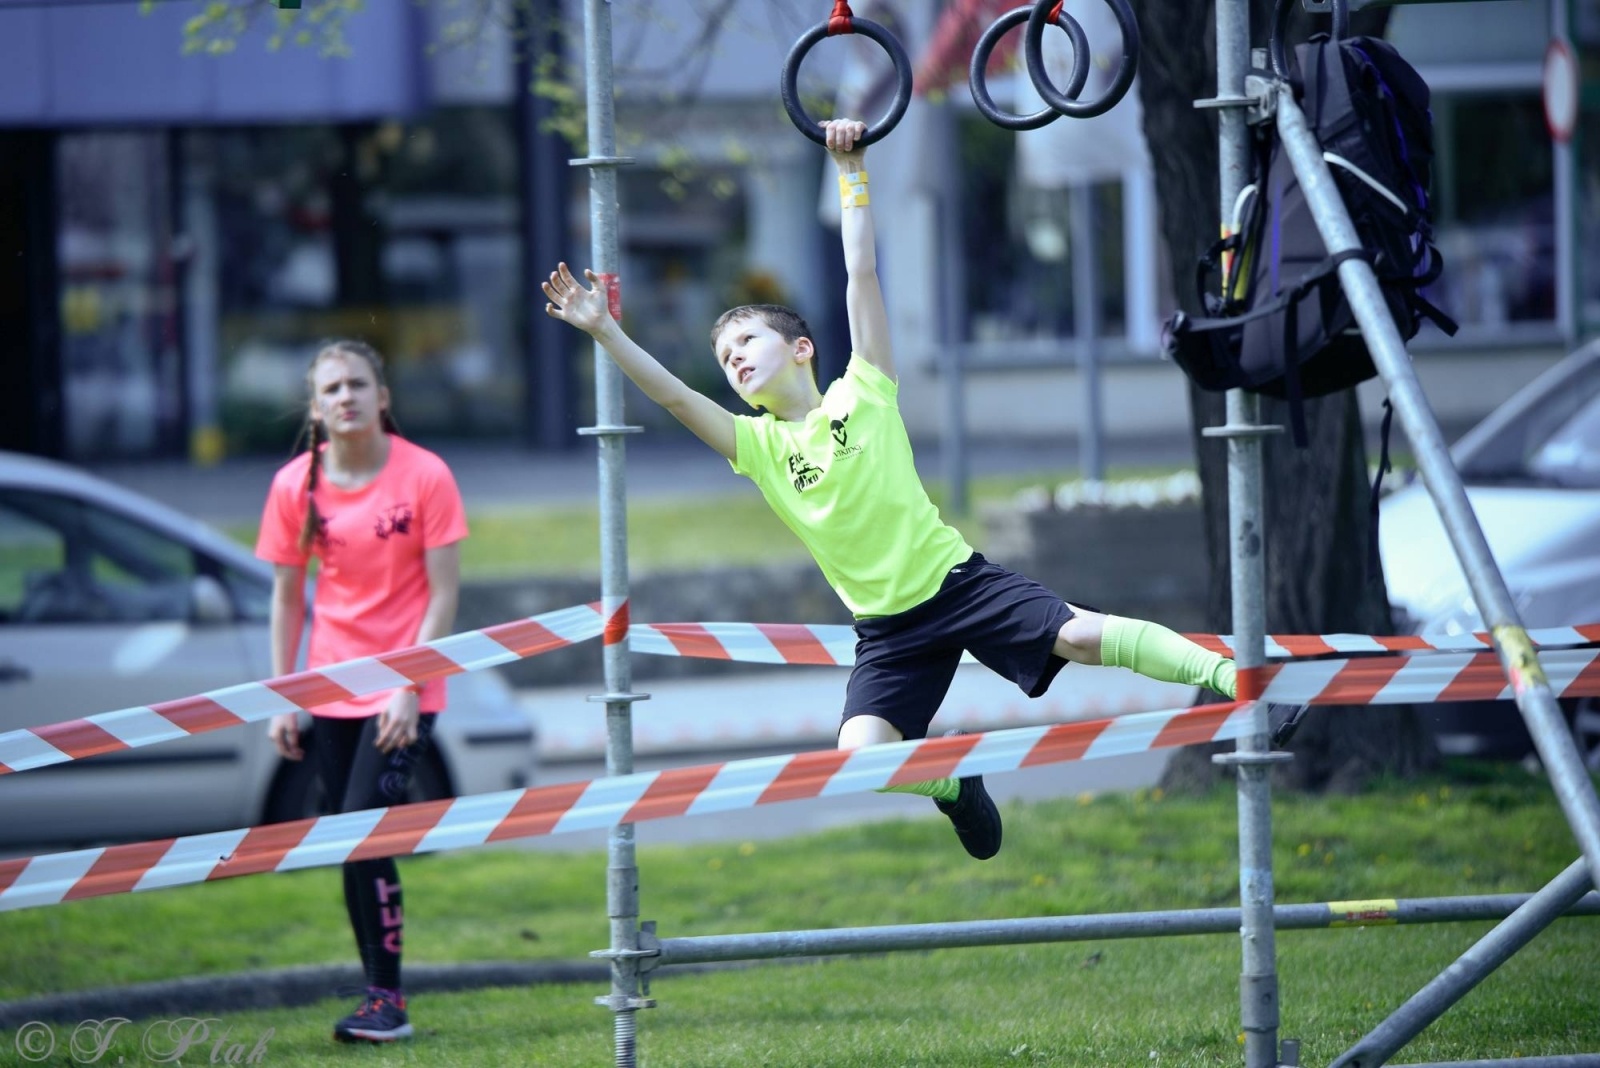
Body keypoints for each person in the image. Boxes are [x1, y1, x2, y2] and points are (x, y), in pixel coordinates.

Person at [542, 119, 1236, 861]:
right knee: (863, 758)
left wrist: (853, 171)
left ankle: (1232, 676)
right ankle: (953, 784)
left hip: (959, 585)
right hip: (889, 632)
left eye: (747, 340)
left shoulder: (863, 391)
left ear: (801, 348)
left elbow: (861, 275)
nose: (734, 358)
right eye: (724, 355)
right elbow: (678, 398)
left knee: (1081, 634)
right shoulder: (760, 448)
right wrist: (607, 333)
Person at [255, 339, 468, 1043]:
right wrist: (285, 693)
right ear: (316, 409)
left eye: (357, 384)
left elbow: (444, 596)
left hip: (403, 695)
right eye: (331, 389)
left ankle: (387, 1001)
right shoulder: (295, 486)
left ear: (383, 397)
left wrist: (410, 683)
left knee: (365, 835)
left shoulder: (426, 475)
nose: (345, 396)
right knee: (348, 840)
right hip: (328, 688)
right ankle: (381, 997)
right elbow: (287, 598)